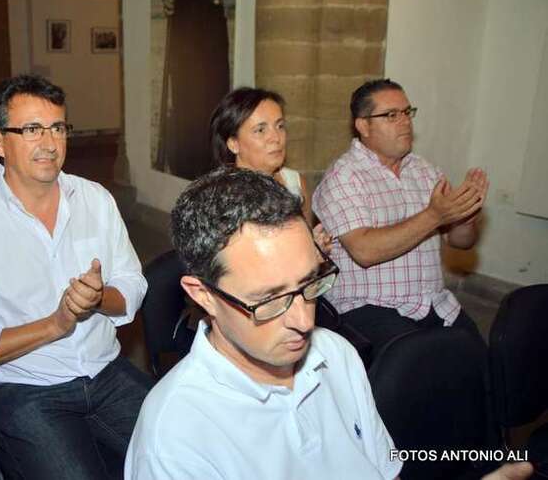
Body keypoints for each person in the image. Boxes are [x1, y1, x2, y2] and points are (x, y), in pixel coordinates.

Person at [0, 74, 152, 480]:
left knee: (189, 454)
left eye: (58, 128)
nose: (50, 143)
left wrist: (99, 298)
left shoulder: (95, 200)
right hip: (28, 389)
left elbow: (133, 282)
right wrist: (55, 324)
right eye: (32, 129)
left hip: (106, 371)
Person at [125, 167, 403, 479]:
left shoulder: (337, 354)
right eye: (270, 299)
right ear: (204, 295)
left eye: (310, 282)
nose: (304, 321)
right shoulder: (174, 441)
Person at [312, 78, 490, 354]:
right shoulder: (343, 176)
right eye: (391, 115)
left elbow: (461, 242)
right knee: (420, 362)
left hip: (433, 303)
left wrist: (465, 217)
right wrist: (435, 215)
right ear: (363, 126)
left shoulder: (425, 171)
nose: (405, 121)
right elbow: (364, 251)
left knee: (477, 357)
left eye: (407, 112)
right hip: (369, 306)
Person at [210, 86, 332, 251]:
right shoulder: (224, 198)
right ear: (233, 143)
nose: (276, 138)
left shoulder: (295, 182)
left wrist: (314, 247)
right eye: (260, 130)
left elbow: (302, 246)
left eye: (280, 126)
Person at [154, 0, 230, 179]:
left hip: (207, 22)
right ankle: (186, 172)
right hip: (181, 23)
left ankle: (210, 171)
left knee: (209, 96)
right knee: (183, 98)